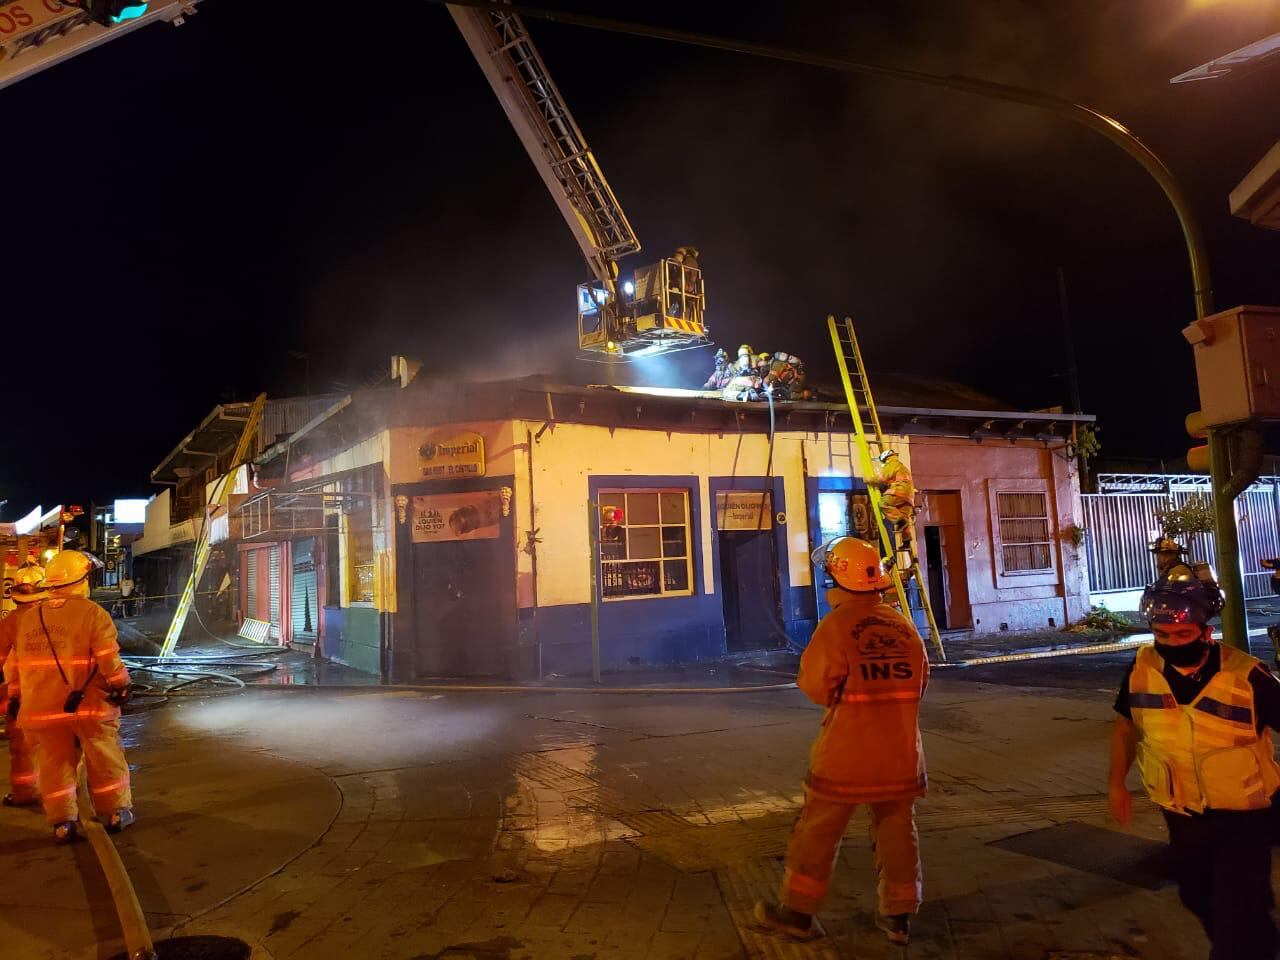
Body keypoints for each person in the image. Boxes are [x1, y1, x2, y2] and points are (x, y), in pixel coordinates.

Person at [755, 537, 928, 945]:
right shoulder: (905, 627)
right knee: (897, 831)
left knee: (817, 831)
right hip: (901, 754)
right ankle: (899, 918)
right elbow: (920, 683)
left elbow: (815, 687)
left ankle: (797, 915)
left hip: (847, 755)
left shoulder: (835, 627)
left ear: (835, 578)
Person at [1110, 573, 1280, 958]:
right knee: (1196, 895)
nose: (1172, 642)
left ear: (1206, 631)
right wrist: (1116, 784)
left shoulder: (1248, 676)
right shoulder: (1141, 670)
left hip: (1245, 818)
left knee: (1238, 911)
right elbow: (1125, 728)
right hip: (1182, 815)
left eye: (1183, 634)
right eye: (1162, 634)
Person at [8, 550, 134, 843]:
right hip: (88, 706)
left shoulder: (30, 618)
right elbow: (108, 659)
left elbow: (17, 666)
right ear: (81, 581)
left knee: (53, 765)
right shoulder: (92, 613)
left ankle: (62, 823)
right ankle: (115, 812)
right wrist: (122, 685)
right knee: (104, 757)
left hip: (41, 709)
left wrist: (14, 697)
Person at [0, 564, 47, 808]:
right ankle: (61, 794)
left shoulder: (10, 623)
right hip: (60, 693)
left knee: (22, 748)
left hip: (22, 697)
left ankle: (25, 792)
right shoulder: (59, 617)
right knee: (59, 748)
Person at [869, 449, 916, 570]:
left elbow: (882, 478)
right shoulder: (903, 467)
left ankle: (900, 521)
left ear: (886, 458)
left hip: (899, 492)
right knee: (905, 517)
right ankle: (906, 541)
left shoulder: (892, 464)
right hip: (909, 496)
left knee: (883, 504)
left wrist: (869, 480)